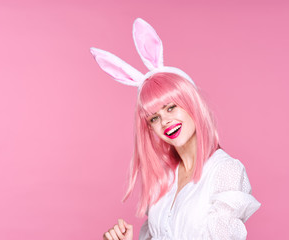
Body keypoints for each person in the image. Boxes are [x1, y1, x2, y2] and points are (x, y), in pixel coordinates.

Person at [90, 18, 261, 240]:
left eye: (171, 107)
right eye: (154, 118)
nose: (165, 121)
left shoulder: (226, 171)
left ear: (192, 104)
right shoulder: (164, 179)